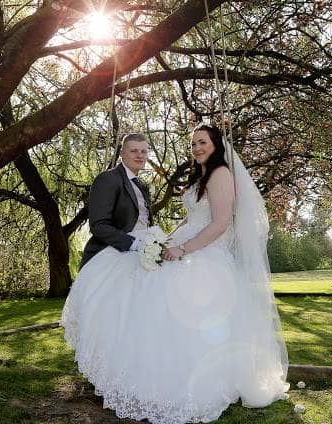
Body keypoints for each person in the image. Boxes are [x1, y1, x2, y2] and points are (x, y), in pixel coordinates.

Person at [61, 124, 289, 424]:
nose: (197, 147)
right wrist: (169, 240)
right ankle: (156, 375)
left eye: (203, 142)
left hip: (204, 253)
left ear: (216, 144)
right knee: (164, 311)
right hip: (182, 246)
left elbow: (220, 224)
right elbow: (190, 218)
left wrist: (185, 249)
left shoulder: (221, 173)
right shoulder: (200, 176)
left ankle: (199, 382)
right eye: (193, 143)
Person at [79, 133, 153, 267]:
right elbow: (99, 225)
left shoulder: (142, 186)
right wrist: (133, 243)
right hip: (114, 253)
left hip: (144, 253)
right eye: (133, 151)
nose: (140, 155)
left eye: (143, 151)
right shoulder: (108, 179)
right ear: (122, 153)